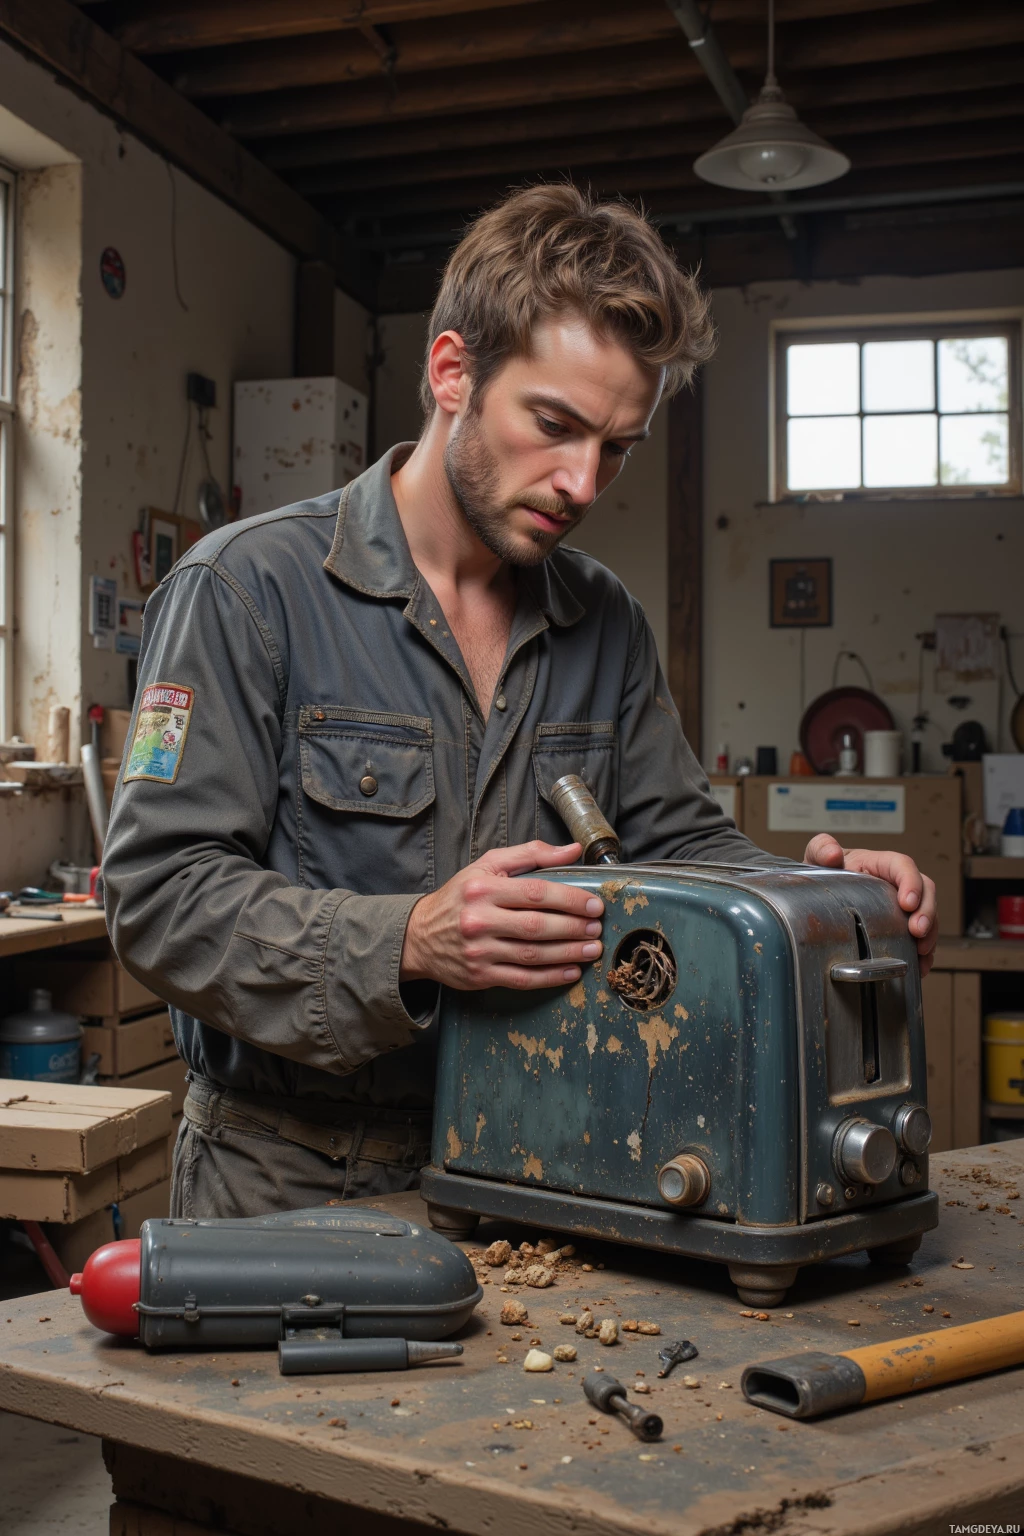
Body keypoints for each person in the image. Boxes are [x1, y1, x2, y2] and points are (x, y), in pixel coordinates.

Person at [103, 184, 937, 1221]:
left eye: (617, 447)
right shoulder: (244, 591)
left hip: (548, 1156)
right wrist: (408, 939)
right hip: (291, 1175)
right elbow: (157, 898)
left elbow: (677, 845)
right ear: (452, 371)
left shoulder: (606, 622)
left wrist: (821, 899)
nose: (582, 482)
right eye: (554, 425)